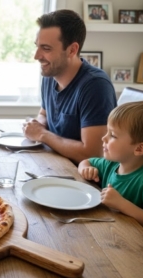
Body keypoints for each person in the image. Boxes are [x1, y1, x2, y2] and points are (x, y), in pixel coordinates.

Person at [23, 9, 116, 164]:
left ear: (72, 50)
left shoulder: (96, 86)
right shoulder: (50, 74)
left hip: (86, 180)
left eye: (46, 48)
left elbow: (93, 153)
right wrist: (37, 125)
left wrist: (42, 135)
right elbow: (44, 114)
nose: (37, 56)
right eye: (37, 46)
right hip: (55, 164)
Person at [78, 102, 143, 232]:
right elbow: (86, 161)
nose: (104, 138)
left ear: (139, 148)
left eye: (112, 135)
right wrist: (85, 169)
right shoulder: (113, 163)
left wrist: (122, 204)